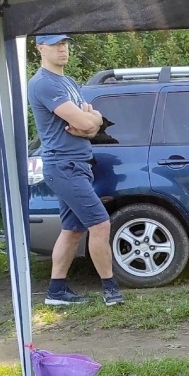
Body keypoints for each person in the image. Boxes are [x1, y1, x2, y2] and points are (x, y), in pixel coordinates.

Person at [27, 35, 124, 307]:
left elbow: (94, 123)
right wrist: (89, 123)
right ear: (40, 48)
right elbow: (84, 120)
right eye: (56, 44)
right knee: (101, 223)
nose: (62, 49)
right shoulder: (43, 84)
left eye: (65, 44)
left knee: (72, 229)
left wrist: (90, 123)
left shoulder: (67, 82)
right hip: (64, 165)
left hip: (79, 164)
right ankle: (111, 290)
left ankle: (56, 293)